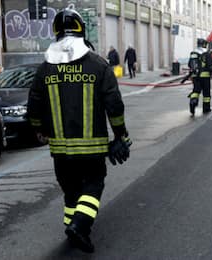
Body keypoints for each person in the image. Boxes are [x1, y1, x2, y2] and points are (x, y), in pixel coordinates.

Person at [27, 8, 132, 253]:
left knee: (70, 190)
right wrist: (120, 135)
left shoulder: (45, 69)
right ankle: (79, 226)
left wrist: (38, 129)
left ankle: (71, 226)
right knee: (94, 185)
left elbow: (34, 105)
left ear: (55, 33)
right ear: (82, 30)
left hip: (60, 151)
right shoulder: (99, 65)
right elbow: (114, 105)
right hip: (92, 149)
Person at [186, 38, 212, 115]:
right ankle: (206, 109)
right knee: (206, 94)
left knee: (196, 91)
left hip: (195, 76)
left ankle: (193, 102)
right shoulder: (206, 53)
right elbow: (211, 66)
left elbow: (189, 64)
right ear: (204, 44)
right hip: (205, 77)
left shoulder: (193, 53)